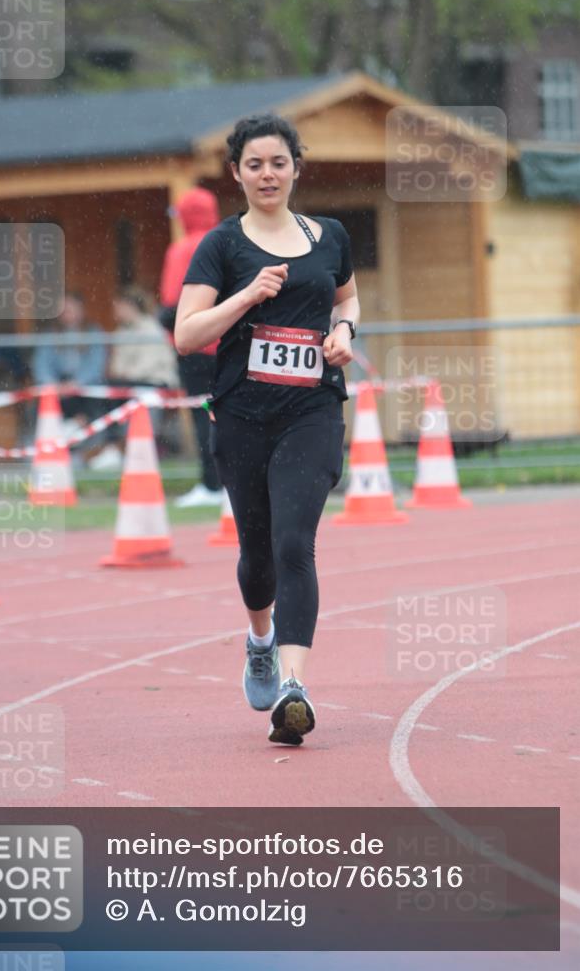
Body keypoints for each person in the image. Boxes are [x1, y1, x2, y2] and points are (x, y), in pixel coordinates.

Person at [175, 114, 360, 746]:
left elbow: (347, 299)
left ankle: (293, 687)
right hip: (243, 416)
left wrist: (344, 334)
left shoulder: (329, 235)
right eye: (253, 164)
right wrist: (247, 296)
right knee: (257, 555)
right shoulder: (222, 247)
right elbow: (187, 334)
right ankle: (260, 639)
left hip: (311, 412)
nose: (267, 174)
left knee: (293, 544)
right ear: (236, 174)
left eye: (278, 162)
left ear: (296, 168)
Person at [160, 187, 223, 508]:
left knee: (203, 416)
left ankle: (211, 485)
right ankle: (231, 481)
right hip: (229, 342)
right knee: (232, 413)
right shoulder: (229, 242)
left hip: (195, 347)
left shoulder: (182, 250)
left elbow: (172, 307)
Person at [88, 286, 180, 470]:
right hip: (129, 382)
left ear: (130, 306)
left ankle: (118, 447)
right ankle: (112, 447)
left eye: (119, 306)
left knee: (115, 390)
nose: (116, 311)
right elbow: (116, 366)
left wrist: (125, 375)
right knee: (104, 390)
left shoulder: (152, 328)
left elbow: (149, 365)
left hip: (154, 382)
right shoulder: (121, 331)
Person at [31, 292, 106, 440]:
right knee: (39, 406)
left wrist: (76, 383)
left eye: (70, 308)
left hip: (85, 385)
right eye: (63, 310)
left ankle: (83, 437)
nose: (67, 313)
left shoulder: (93, 332)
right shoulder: (50, 334)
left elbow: (96, 365)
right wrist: (52, 384)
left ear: (81, 310)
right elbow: (41, 364)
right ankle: (55, 438)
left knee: (95, 402)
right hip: (58, 385)